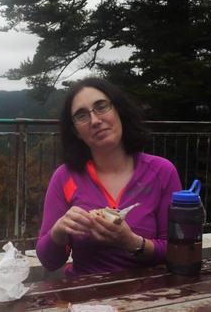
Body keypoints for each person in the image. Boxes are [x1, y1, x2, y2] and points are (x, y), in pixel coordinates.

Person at [36, 77, 182, 277]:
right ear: (76, 132)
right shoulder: (64, 177)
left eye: (101, 107)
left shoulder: (162, 172)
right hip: (86, 298)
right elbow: (49, 262)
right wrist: (58, 232)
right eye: (81, 115)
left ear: (119, 110)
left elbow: (179, 251)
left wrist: (131, 242)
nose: (95, 121)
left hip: (152, 295)